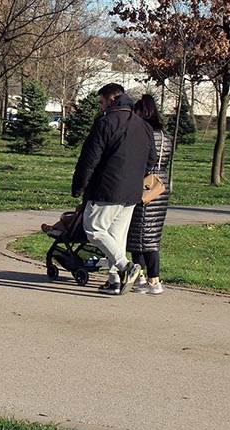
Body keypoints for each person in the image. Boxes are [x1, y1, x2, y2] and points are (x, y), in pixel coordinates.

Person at [70, 83, 152, 296]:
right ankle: (114, 281)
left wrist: (79, 185)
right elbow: (151, 159)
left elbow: (89, 158)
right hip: (132, 192)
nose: (100, 107)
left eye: (101, 102)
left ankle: (127, 267)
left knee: (94, 229)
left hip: (107, 188)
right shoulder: (142, 125)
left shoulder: (105, 122)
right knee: (116, 238)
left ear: (111, 99)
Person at [127, 94, 173, 295]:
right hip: (161, 186)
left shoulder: (142, 134)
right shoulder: (166, 136)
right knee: (152, 235)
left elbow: (139, 160)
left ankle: (147, 278)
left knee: (137, 235)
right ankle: (152, 278)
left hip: (144, 184)